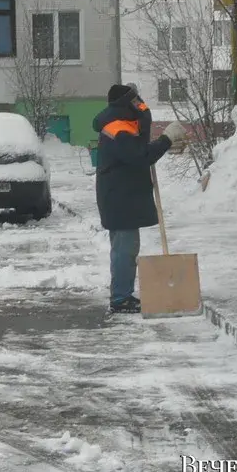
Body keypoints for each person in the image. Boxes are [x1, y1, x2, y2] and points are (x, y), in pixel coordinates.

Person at [92, 84, 187, 313]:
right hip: (119, 198)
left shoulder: (122, 123)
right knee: (125, 249)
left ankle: (122, 294)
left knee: (125, 248)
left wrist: (161, 145)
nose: (140, 104)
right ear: (127, 104)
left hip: (121, 195)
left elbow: (140, 145)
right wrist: (166, 139)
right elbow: (138, 156)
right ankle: (120, 298)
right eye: (135, 101)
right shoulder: (118, 128)